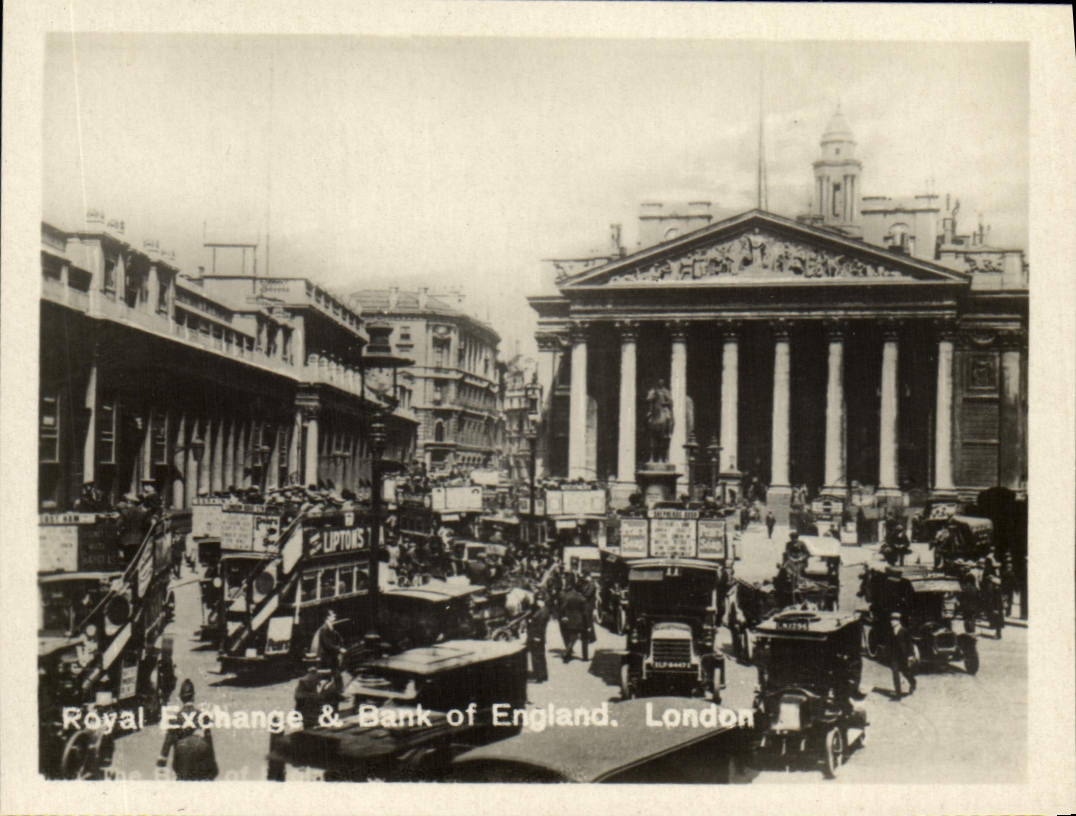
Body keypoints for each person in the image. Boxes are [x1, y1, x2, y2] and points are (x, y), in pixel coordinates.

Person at [158, 679, 218, 780]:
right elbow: (209, 741)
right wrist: (212, 765)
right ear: (193, 696)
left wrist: (161, 763)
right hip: (200, 752)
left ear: (181, 698)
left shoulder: (175, 718)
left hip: (182, 754)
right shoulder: (203, 716)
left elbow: (167, 743)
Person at [312, 610, 347, 686]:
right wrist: (339, 649)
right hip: (325, 657)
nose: (335, 616)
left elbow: (336, 639)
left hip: (331, 656)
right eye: (332, 615)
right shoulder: (324, 629)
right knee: (329, 677)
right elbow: (327, 644)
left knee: (336, 675)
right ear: (327, 617)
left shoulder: (331, 627)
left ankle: (338, 692)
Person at [888, 612, 916, 700]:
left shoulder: (904, 631)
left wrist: (911, 655)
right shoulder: (891, 631)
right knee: (895, 674)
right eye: (891, 620)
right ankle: (898, 694)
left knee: (906, 673)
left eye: (893, 620)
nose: (891, 622)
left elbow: (909, 644)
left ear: (898, 621)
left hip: (903, 656)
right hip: (894, 656)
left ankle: (913, 682)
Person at [559, 582, 589, 663]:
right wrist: (588, 624)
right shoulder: (582, 598)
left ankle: (567, 654)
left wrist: (564, 616)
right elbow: (585, 613)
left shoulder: (567, 596)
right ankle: (583, 656)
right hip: (580, 621)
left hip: (569, 620)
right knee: (580, 638)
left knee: (572, 637)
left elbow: (562, 608)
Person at [526, 593, 551, 682]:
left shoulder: (542, 612)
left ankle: (538, 677)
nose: (538, 602)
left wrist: (537, 637)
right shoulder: (544, 610)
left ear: (543, 601)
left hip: (536, 637)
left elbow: (540, 626)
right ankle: (543, 675)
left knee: (536, 657)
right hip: (538, 637)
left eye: (539, 600)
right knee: (541, 656)